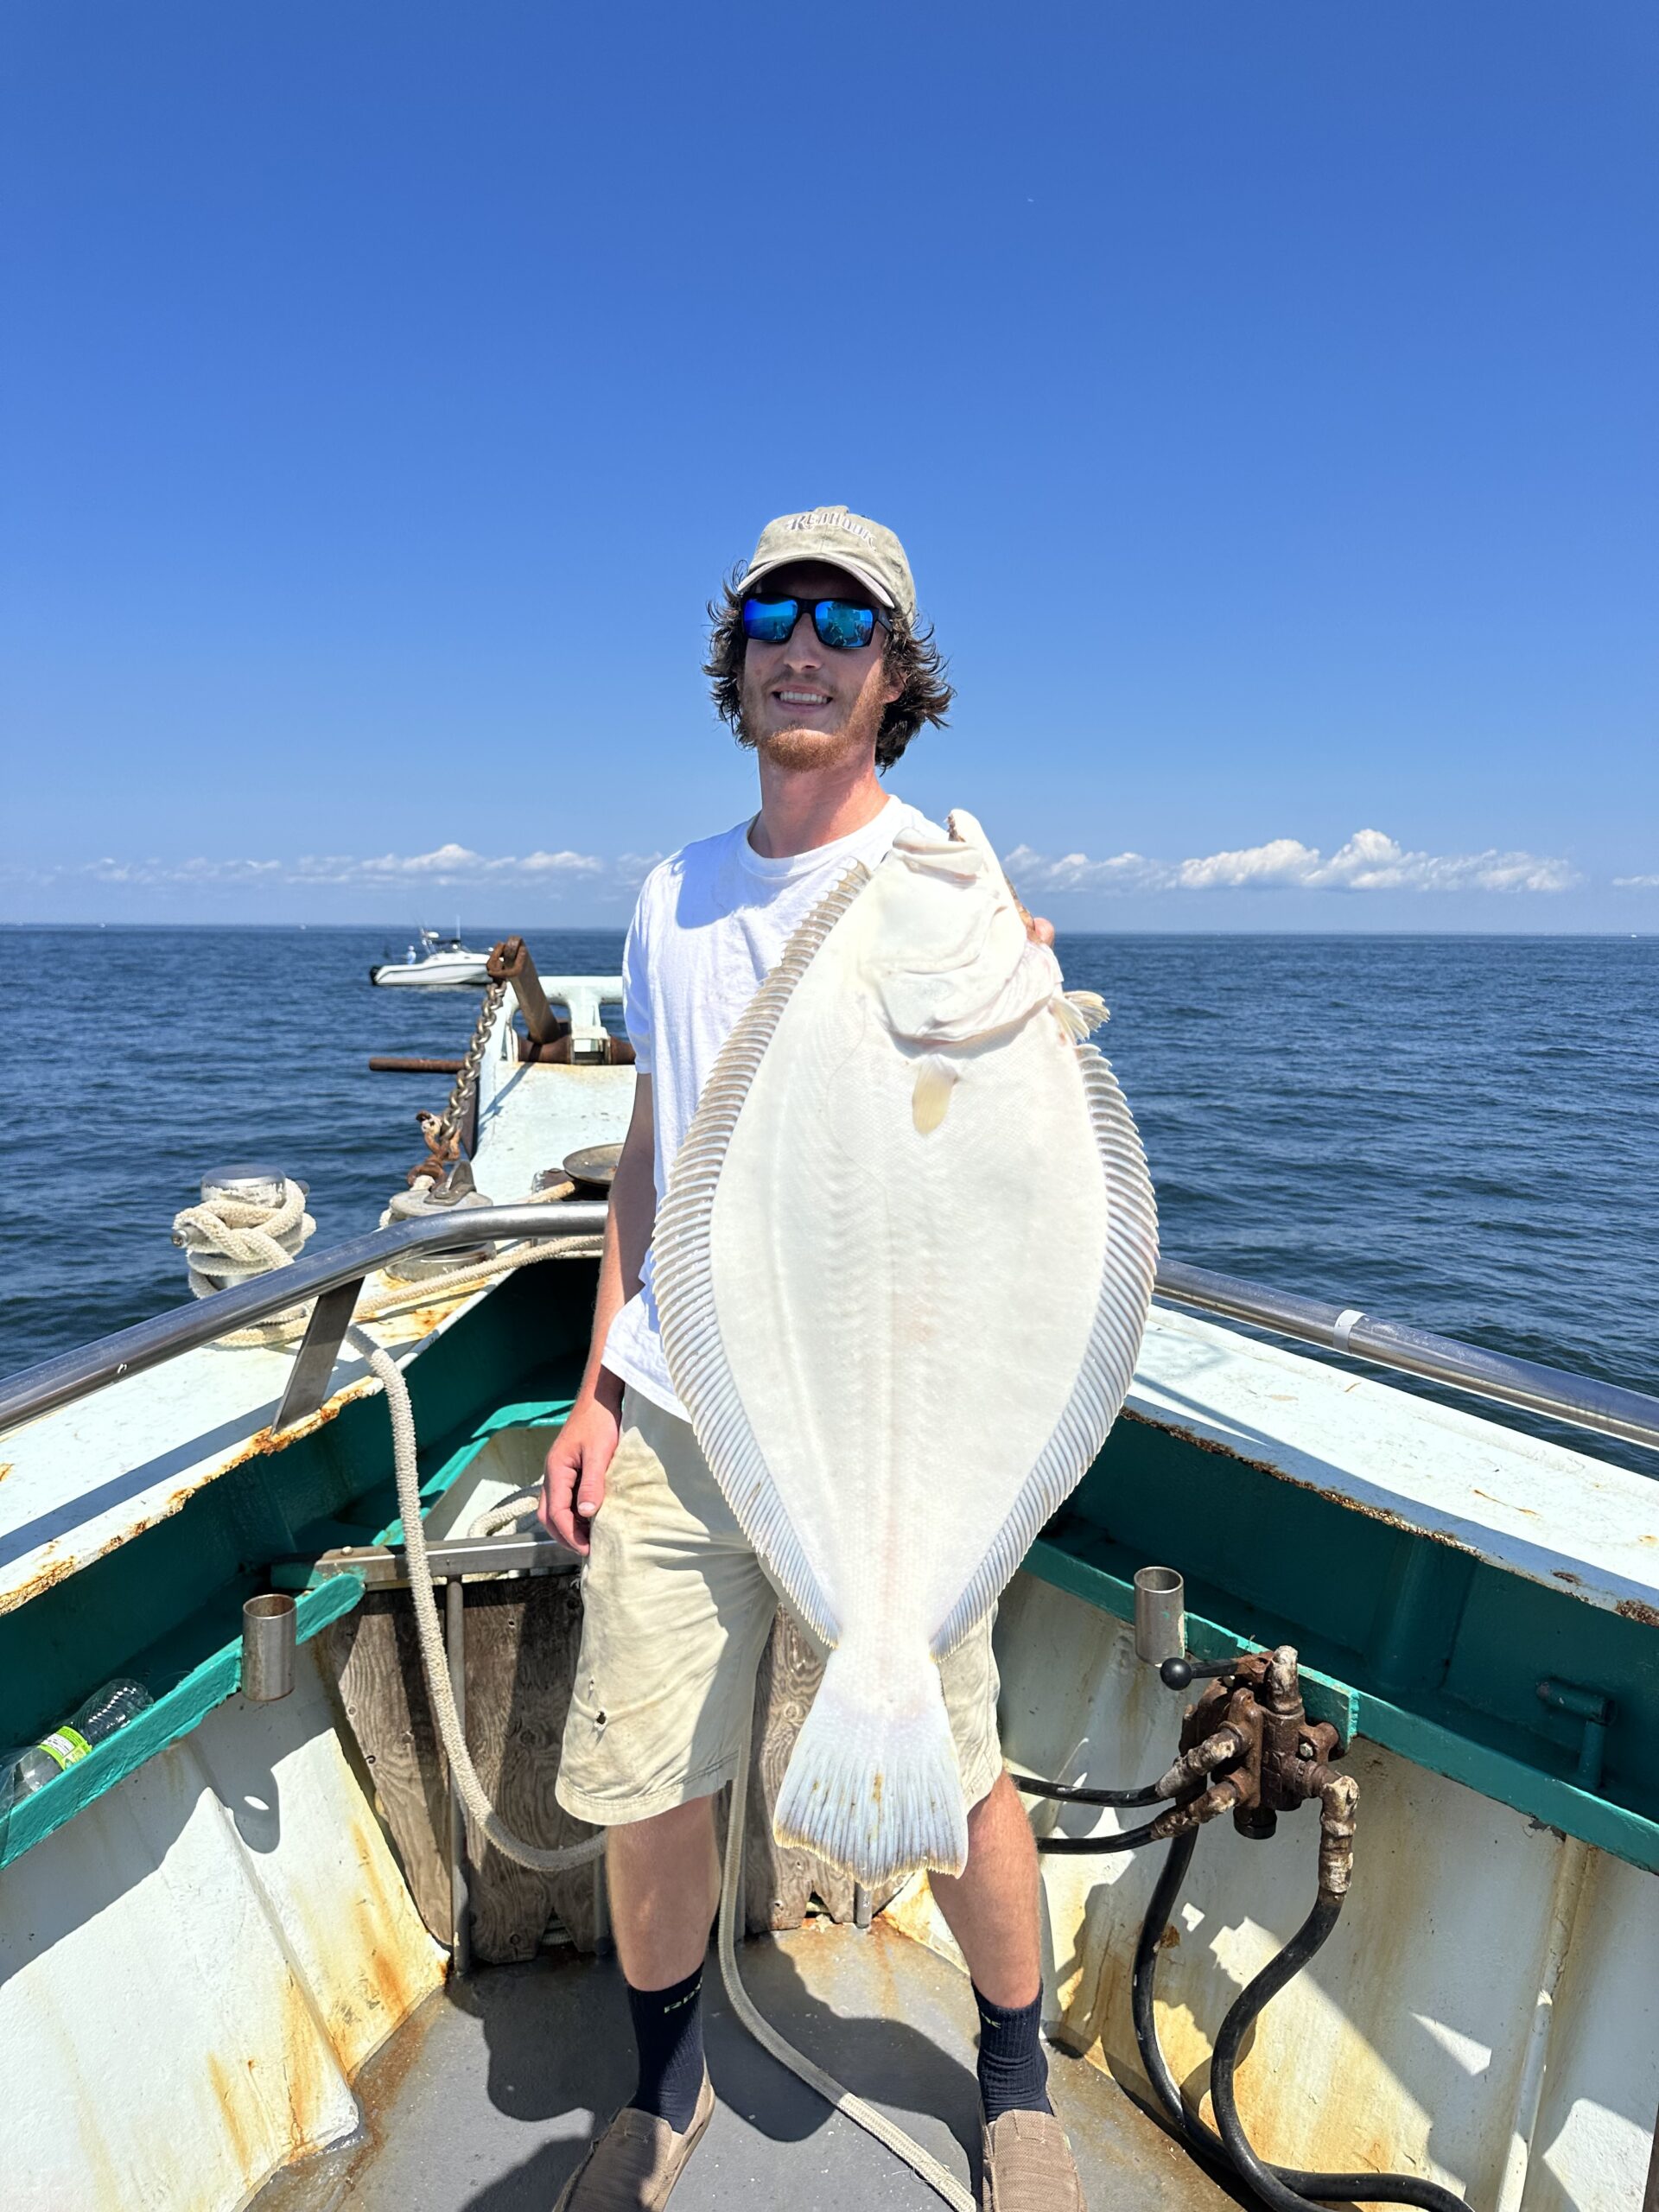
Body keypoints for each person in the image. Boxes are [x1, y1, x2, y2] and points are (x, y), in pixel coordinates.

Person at [541, 505, 1084, 2211]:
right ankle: (659, 2089)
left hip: (894, 1421)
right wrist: (596, 1386)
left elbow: (1017, 1178)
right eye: (778, 609)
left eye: (847, 623)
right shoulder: (671, 894)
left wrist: (1027, 1025)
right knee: (651, 1781)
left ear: (893, 674)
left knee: (965, 1760)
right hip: (691, 1415)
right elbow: (653, 1149)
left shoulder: (946, 883)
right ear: (738, 648)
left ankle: (1018, 2092)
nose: (804, 641)